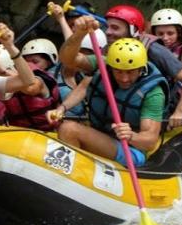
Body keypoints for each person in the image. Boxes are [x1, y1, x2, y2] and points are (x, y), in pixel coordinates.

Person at [59, 5, 182, 128]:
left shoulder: (154, 50)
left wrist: (179, 112)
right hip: (119, 110)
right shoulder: (110, 50)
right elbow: (84, 78)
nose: (108, 32)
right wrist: (62, 108)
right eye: (108, 27)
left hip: (152, 111)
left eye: (115, 28)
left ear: (133, 31)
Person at [48, 36, 168, 167]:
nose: (124, 78)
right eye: (118, 71)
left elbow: (150, 141)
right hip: (100, 136)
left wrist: (131, 135)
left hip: (130, 151)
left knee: (68, 129)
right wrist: (61, 109)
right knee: (65, 126)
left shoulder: (153, 92)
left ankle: (76, 173)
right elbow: (76, 73)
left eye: (130, 72)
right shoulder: (104, 66)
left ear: (141, 69)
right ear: (111, 67)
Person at [0, 39, 61, 130]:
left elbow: (30, 88)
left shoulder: (39, 80)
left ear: (12, 68)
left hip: (48, 134)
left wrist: (2, 70)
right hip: (17, 137)